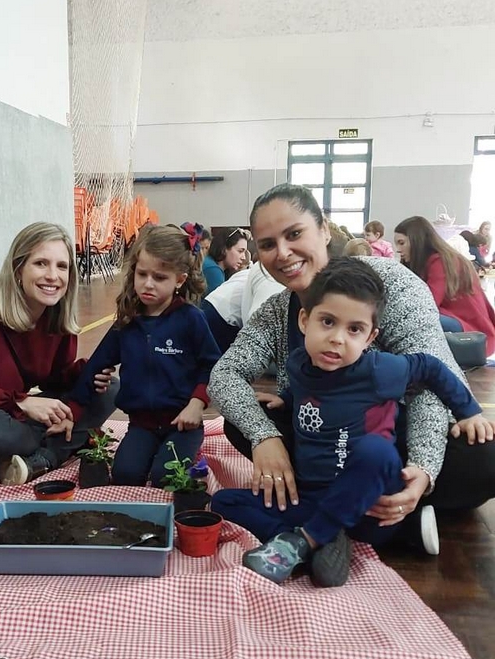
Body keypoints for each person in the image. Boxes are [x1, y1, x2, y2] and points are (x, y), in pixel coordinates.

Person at [207, 184, 495, 551]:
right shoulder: (276, 312)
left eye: (294, 234)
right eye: (267, 244)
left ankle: (357, 517)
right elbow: (224, 375)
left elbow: (432, 377)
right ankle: (371, 523)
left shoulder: (391, 284)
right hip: (323, 449)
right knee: (242, 422)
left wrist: (423, 468)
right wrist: (265, 436)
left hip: (390, 446)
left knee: (485, 459)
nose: (283, 253)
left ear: (324, 230)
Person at [0, 222, 117, 485]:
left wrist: (87, 374)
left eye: (62, 266)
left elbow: (54, 379)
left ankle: (36, 460)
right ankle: (56, 449)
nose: (52, 276)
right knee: (7, 434)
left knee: (109, 390)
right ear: (18, 269)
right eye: (41, 264)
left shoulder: (55, 314)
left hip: (8, 412)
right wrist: (21, 403)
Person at [68, 225, 221, 487]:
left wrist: (197, 404)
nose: (148, 284)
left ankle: (189, 454)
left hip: (182, 424)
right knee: (125, 476)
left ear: (179, 280)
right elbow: (96, 365)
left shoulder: (191, 319)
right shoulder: (127, 322)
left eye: (159, 277)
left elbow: (213, 366)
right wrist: (73, 411)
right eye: (142, 274)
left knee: (166, 477)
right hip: (141, 425)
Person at [394, 216, 495, 353]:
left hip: (470, 329)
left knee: (411, 317)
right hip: (465, 324)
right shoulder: (438, 260)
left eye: (401, 243)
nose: (398, 249)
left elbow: (428, 304)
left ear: (417, 241)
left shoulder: (440, 261)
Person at [202, 228, 249, 294]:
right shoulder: (213, 269)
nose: (244, 257)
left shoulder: (214, 266)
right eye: (240, 251)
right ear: (224, 249)